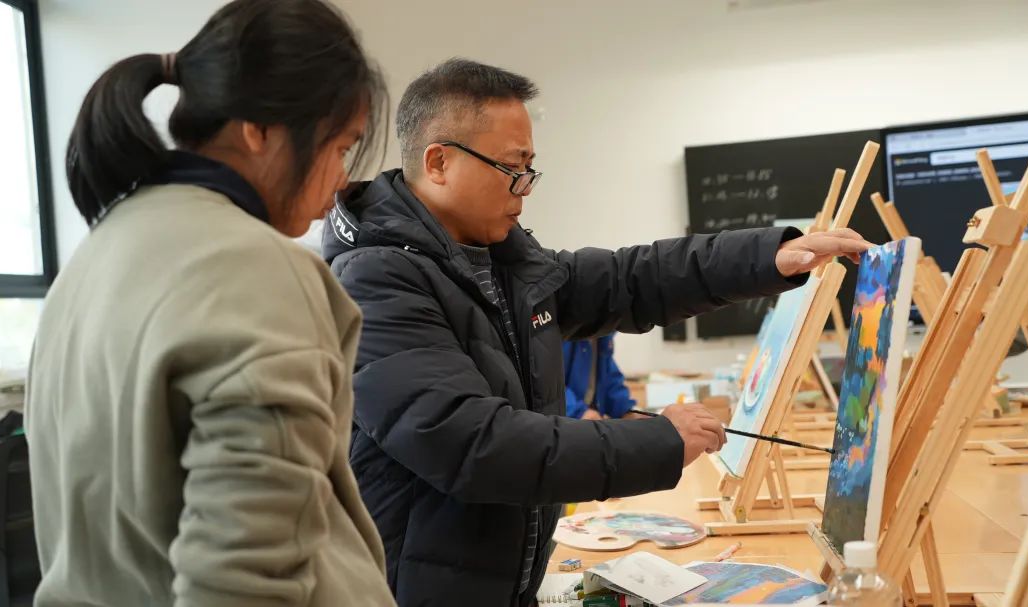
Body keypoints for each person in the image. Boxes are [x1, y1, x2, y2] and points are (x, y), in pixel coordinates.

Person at [322, 58, 870, 606]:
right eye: (512, 168)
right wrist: (661, 442)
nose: (525, 188)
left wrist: (769, 257)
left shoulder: (504, 262)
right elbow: (475, 446)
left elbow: (631, 279)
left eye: (530, 168)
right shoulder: (374, 281)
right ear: (439, 162)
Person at [24, 1, 396, 605]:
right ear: (260, 130)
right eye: (340, 147)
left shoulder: (93, 258)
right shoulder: (259, 266)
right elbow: (246, 577)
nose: (341, 180)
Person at [563, 334, 637, 420]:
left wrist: (625, 411)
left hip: (585, 418)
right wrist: (578, 411)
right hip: (566, 419)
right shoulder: (561, 335)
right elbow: (551, 385)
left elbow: (610, 380)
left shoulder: (603, 337)